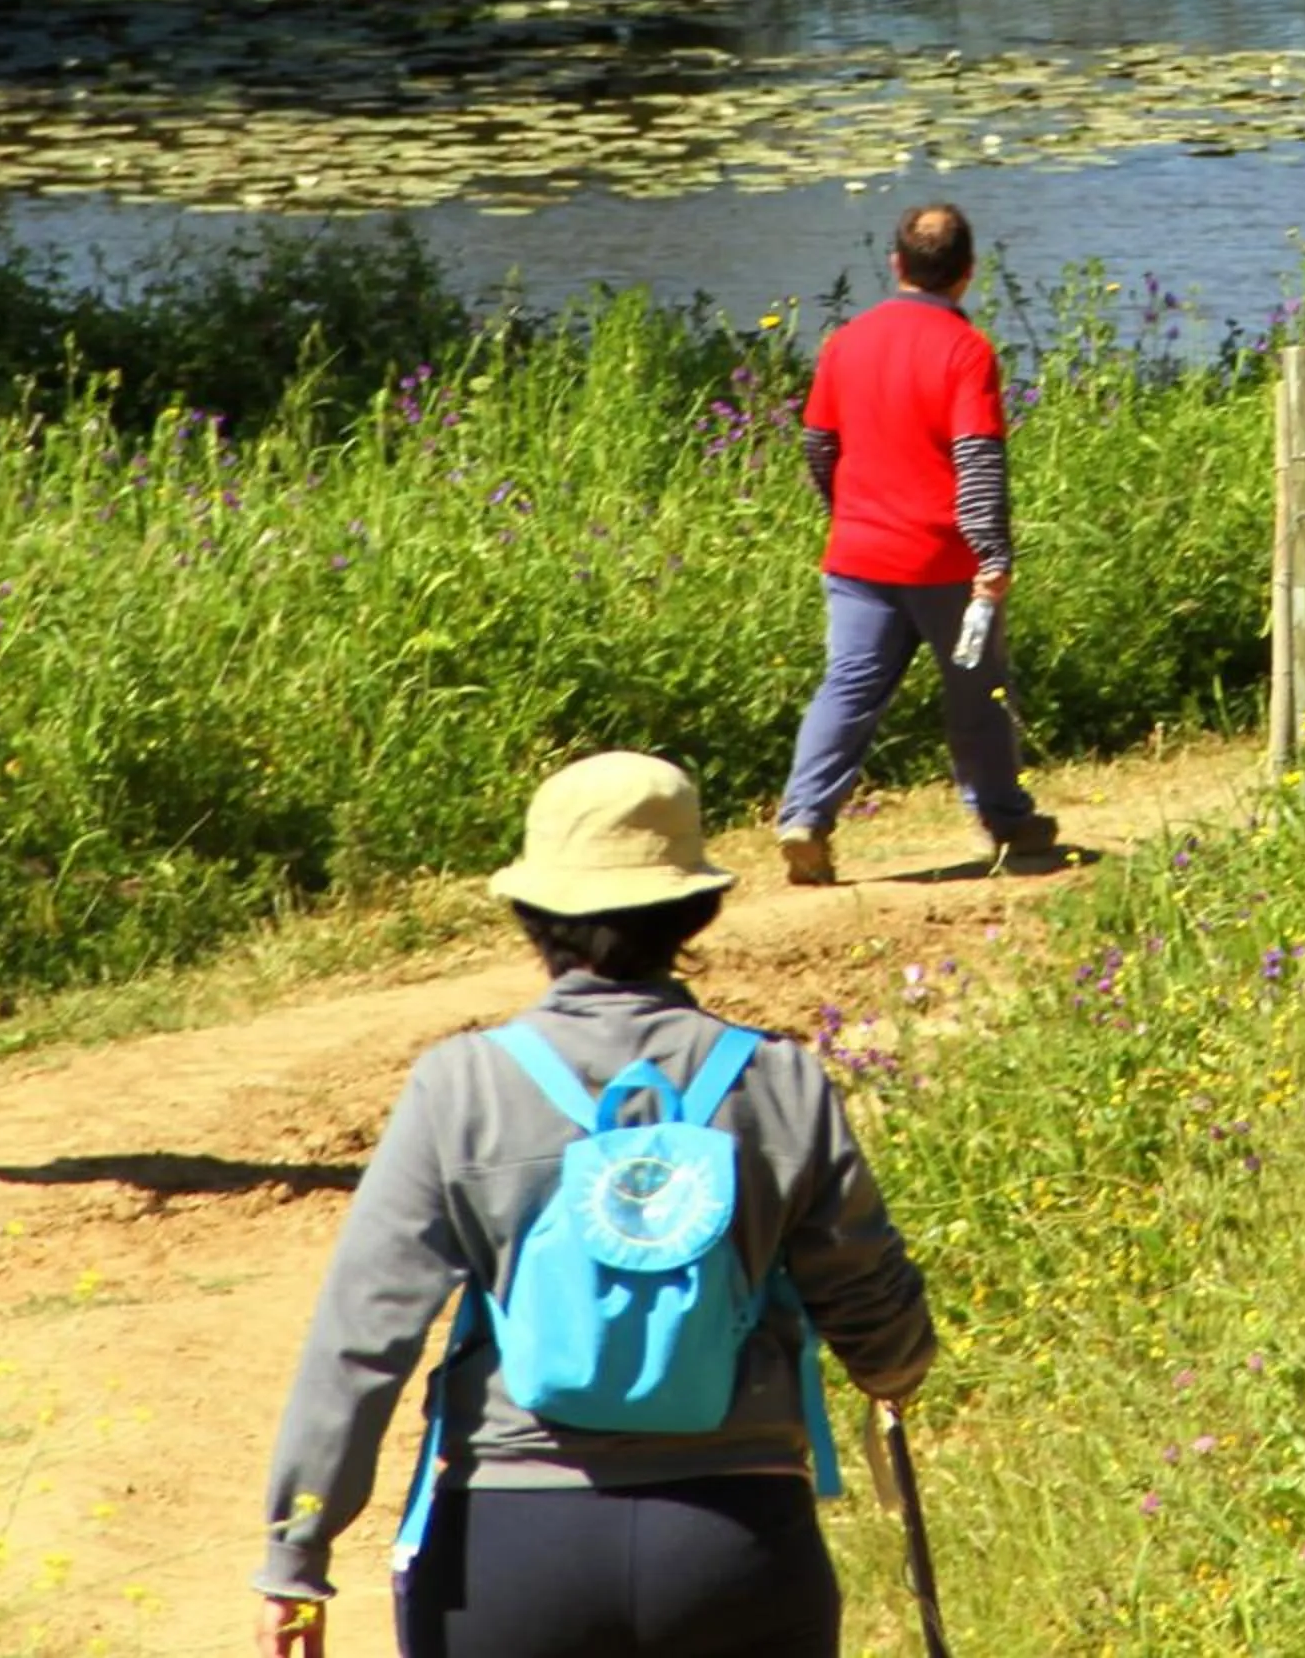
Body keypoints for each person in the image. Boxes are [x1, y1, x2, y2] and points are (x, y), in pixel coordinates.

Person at [253, 751, 935, 1658]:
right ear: (699, 907)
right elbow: (870, 1305)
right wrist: (894, 1371)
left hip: (507, 1553)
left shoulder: (461, 1085)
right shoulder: (778, 1080)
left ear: (532, 911)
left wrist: (297, 1552)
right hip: (737, 1538)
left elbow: (362, 1334)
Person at [773, 201, 1054, 886]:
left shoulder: (845, 341)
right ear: (967, 275)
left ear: (896, 264)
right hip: (944, 561)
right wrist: (993, 553)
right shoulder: (966, 349)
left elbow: (818, 444)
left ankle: (804, 817)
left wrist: (846, 510)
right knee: (977, 690)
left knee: (848, 687)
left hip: (858, 554)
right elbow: (977, 458)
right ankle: (1006, 818)